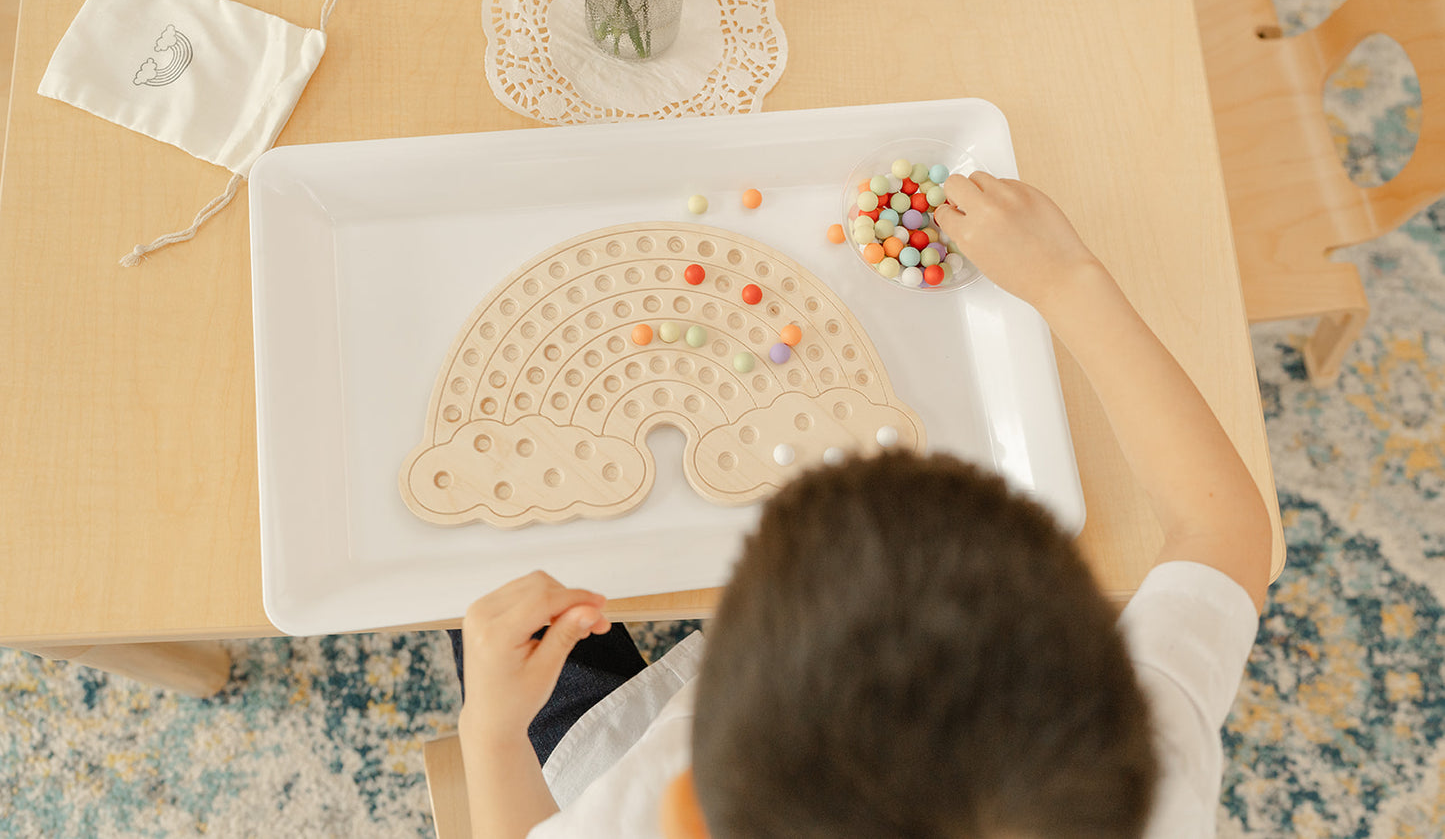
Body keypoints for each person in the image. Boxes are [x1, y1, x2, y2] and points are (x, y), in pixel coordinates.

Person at [450, 171, 1273, 839]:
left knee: (490, 558)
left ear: (687, 814)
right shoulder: (1127, 772)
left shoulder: (625, 824)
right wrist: (1067, 281)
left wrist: (489, 735)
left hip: (600, 759)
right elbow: (1224, 529)